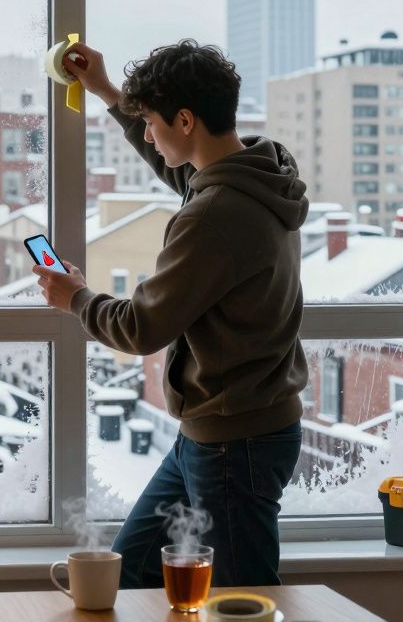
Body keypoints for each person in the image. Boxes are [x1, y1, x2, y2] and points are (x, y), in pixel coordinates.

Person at [33, 39, 309, 589]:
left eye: (153, 123)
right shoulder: (259, 175)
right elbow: (186, 175)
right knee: (125, 571)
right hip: (215, 432)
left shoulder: (214, 216)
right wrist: (110, 94)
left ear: (185, 119)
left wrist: (76, 298)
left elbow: (141, 327)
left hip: (236, 443)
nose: (150, 137)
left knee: (242, 596)